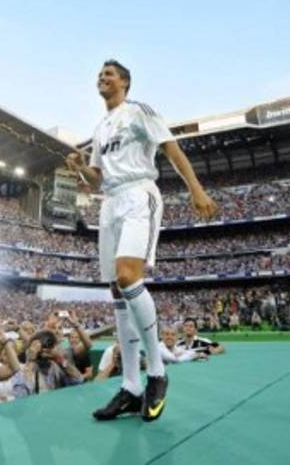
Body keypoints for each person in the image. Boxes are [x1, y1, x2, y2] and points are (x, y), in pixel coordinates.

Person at [66, 59, 218, 423]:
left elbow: (172, 150)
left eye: (109, 74)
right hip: (111, 202)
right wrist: (78, 168)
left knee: (127, 276)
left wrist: (195, 189)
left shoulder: (139, 111)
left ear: (125, 83)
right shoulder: (100, 127)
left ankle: (158, 373)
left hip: (139, 195)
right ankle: (132, 385)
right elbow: (97, 179)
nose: (102, 78)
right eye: (99, 74)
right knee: (117, 293)